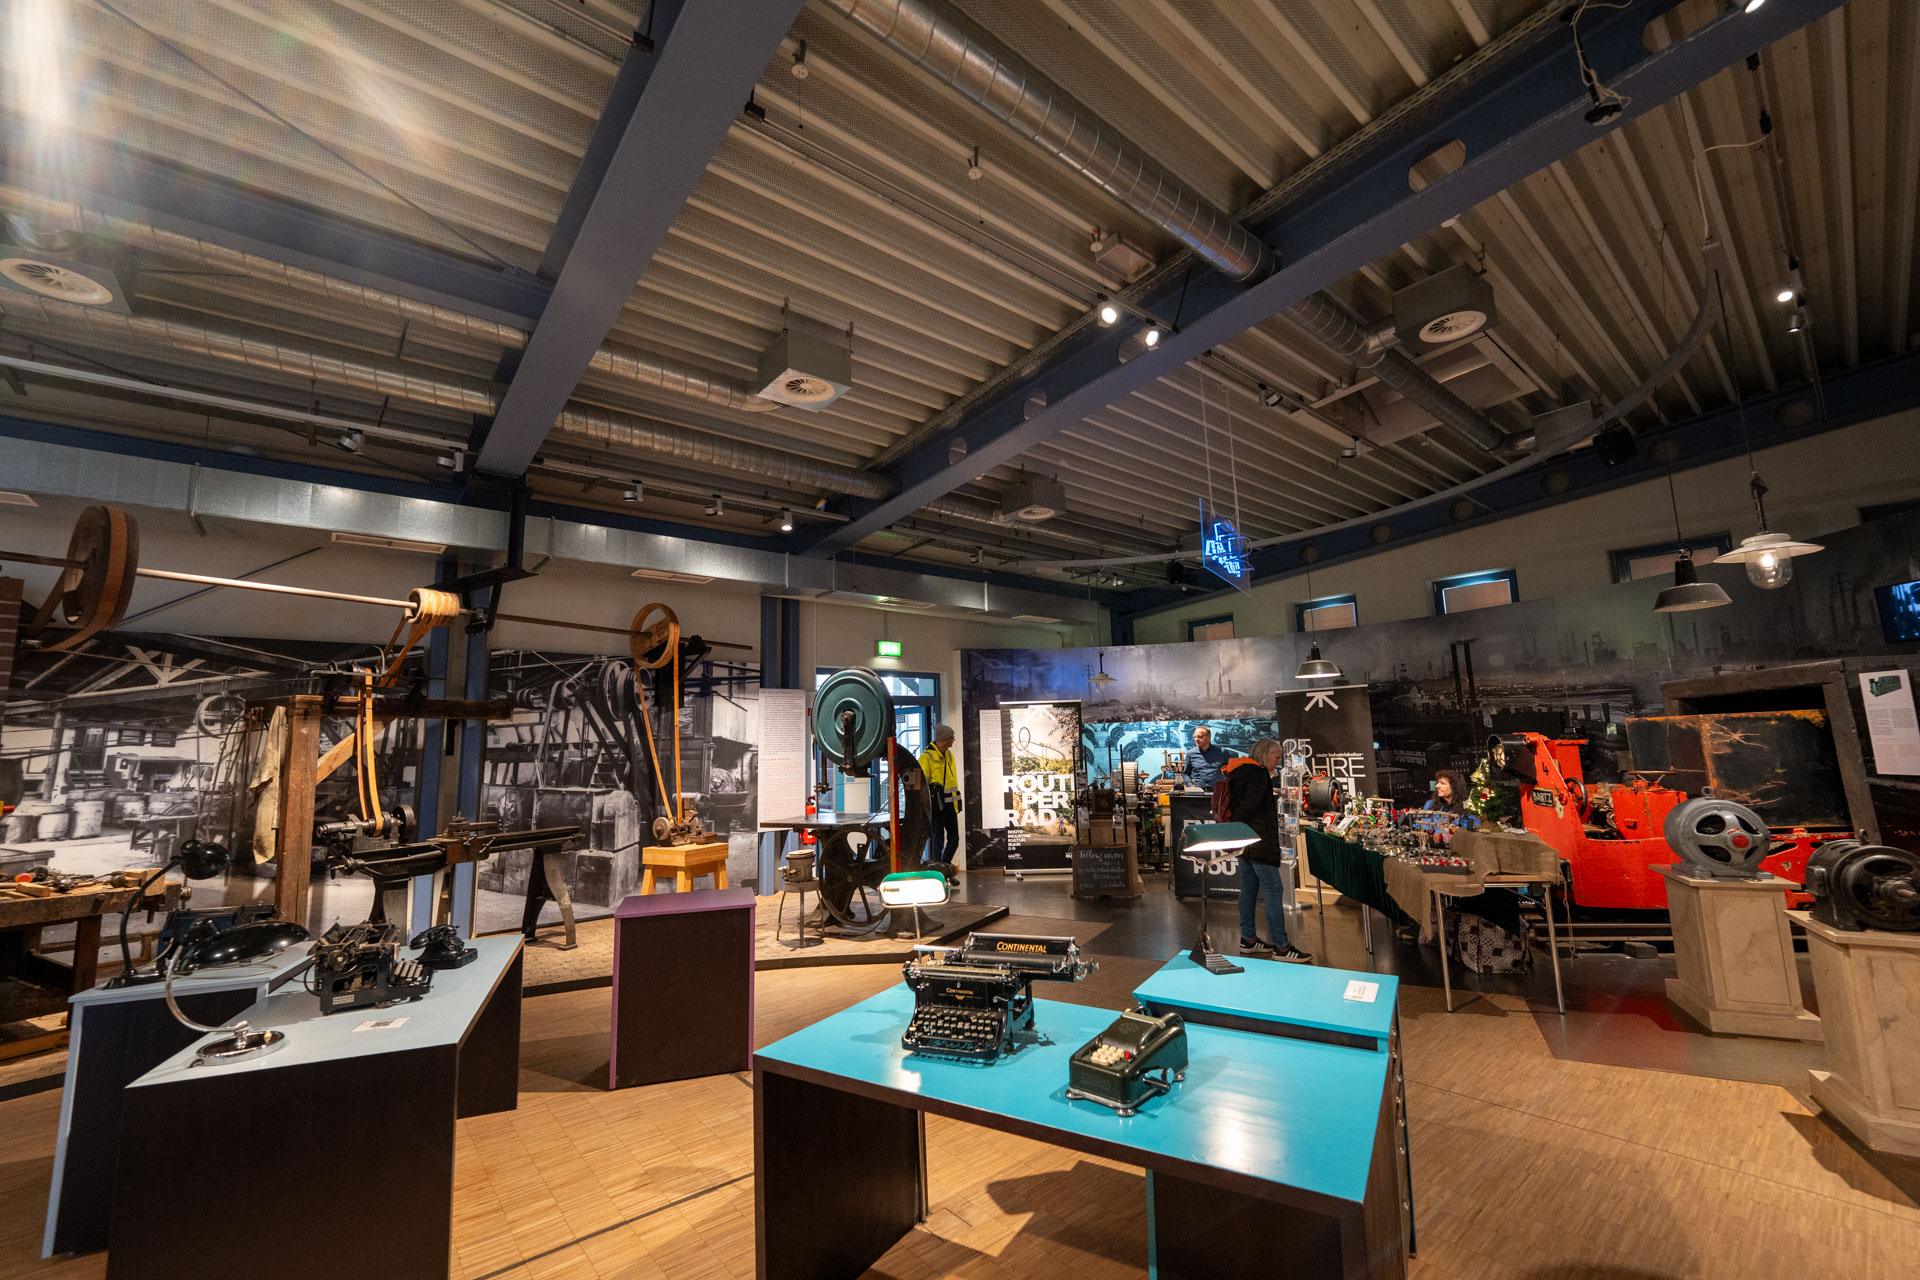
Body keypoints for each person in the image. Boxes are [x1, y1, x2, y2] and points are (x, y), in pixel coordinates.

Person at [1224, 738, 1312, 962]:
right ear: (1265, 755)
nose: (1278, 762)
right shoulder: (1258, 774)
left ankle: (1248, 939)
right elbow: (1249, 807)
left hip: (1245, 840)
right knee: (1273, 888)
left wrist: (1238, 831)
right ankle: (1282, 947)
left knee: (1249, 887)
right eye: (1276, 757)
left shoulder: (1240, 771)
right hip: (1258, 840)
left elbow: (1241, 808)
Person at [918, 724, 961, 877]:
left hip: (950, 806)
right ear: (943, 739)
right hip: (936, 807)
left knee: (954, 839)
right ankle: (937, 874)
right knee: (938, 841)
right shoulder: (926, 758)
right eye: (951, 737)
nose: (953, 740)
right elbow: (921, 785)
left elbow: (952, 781)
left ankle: (943, 869)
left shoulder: (949, 755)